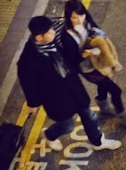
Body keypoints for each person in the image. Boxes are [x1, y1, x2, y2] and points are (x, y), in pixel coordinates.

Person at [17, 15, 120, 152]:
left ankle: (98, 141)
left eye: (52, 29)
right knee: (67, 125)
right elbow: (28, 83)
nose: (53, 32)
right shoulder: (28, 60)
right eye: (49, 32)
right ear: (39, 37)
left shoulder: (53, 41)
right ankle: (49, 135)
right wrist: (33, 103)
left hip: (73, 87)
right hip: (55, 98)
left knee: (88, 114)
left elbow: (67, 57)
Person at [61, 0, 126, 131]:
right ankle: (124, 116)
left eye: (81, 15)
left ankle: (104, 107)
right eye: (75, 18)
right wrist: (85, 54)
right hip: (87, 69)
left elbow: (99, 34)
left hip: (98, 61)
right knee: (116, 90)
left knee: (103, 83)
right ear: (69, 18)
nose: (80, 20)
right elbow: (72, 60)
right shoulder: (67, 36)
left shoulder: (87, 22)